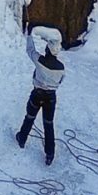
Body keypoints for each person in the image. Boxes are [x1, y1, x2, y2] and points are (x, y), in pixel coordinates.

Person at [15, 31, 65, 165]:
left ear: (48, 49)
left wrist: (29, 35)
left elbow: (30, 50)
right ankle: (50, 154)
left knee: (29, 117)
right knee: (48, 125)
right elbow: (60, 81)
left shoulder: (39, 60)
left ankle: (22, 139)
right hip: (51, 97)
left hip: (37, 94)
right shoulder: (61, 68)